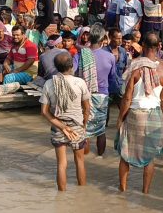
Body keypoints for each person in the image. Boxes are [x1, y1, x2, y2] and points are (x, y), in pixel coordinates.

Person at [115, 32, 163, 194]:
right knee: (150, 157)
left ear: (143, 45)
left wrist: (120, 118)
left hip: (135, 114)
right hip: (154, 113)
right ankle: (145, 192)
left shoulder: (135, 68)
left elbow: (126, 98)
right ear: (159, 47)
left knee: (125, 154)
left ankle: (122, 190)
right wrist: (162, 118)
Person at [40, 52, 90, 191]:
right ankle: (83, 195)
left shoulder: (50, 84)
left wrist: (62, 126)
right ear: (72, 65)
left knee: (61, 164)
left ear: (55, 67)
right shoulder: (79, 82)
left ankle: (61, 197)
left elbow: (44, 111)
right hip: (77, 126)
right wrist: (83, 126)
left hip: (58, 126)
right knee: (80, 161)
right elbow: (87, 108)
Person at [77, 24, 116, 156]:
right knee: (101, 130)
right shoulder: (110, 57)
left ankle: (85, 159)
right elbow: (112, 79)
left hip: (84, 95)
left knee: (85, 129)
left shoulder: (81, 54)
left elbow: (72, 74)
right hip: (102, 96)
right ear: (102, 39)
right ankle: (100, 158)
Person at [102, 28, 128, 112]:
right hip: (107, 86)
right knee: (105, 112)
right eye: (117, 38)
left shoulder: (123, 51)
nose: (120, 41)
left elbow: (125, 68)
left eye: (121, 38)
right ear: (110, 37)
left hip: (119, 85)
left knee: (124, 110)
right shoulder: (103, 51)